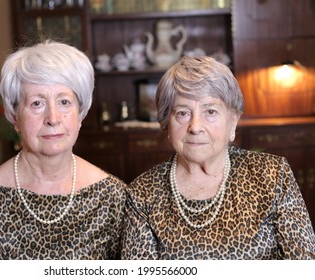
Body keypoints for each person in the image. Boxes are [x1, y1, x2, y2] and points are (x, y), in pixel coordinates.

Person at [121, 56, 315, 259]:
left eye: (210, 111)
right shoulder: (143, 194)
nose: (195, 127)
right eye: (183, 113)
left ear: (232, 122)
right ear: (166, 124)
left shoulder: (272, 174)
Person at [0, 40, 126, 260]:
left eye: (64, 102)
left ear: (80, 114)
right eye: (37, 103)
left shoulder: (114, 197)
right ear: (15, 117)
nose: (53, 119)